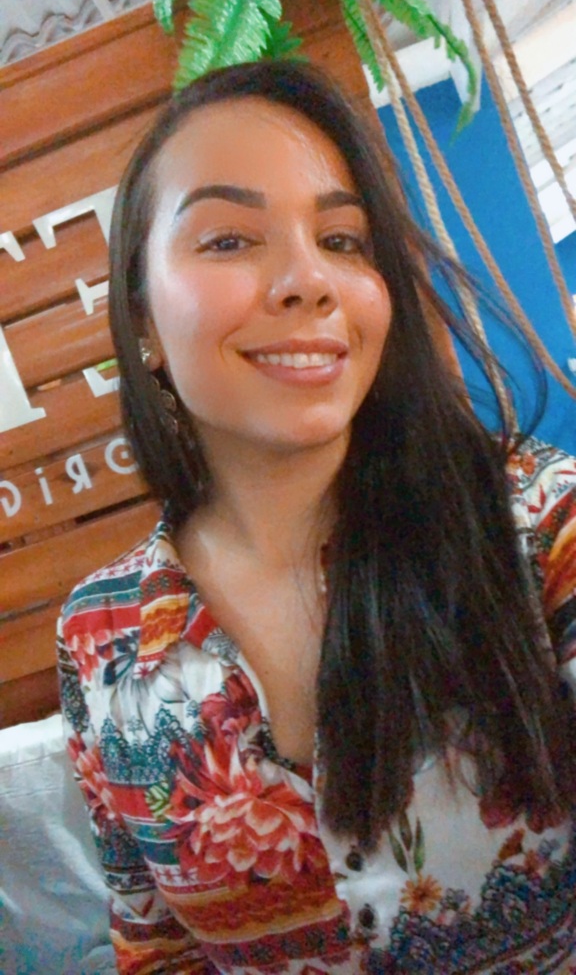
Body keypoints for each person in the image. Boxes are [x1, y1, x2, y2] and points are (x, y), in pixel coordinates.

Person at [57, 59, 576, 975]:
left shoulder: (535, 522)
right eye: (229, 240)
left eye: (342, 239)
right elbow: (156, 945)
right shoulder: (100, 636)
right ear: (140, 319)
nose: (308, 279)